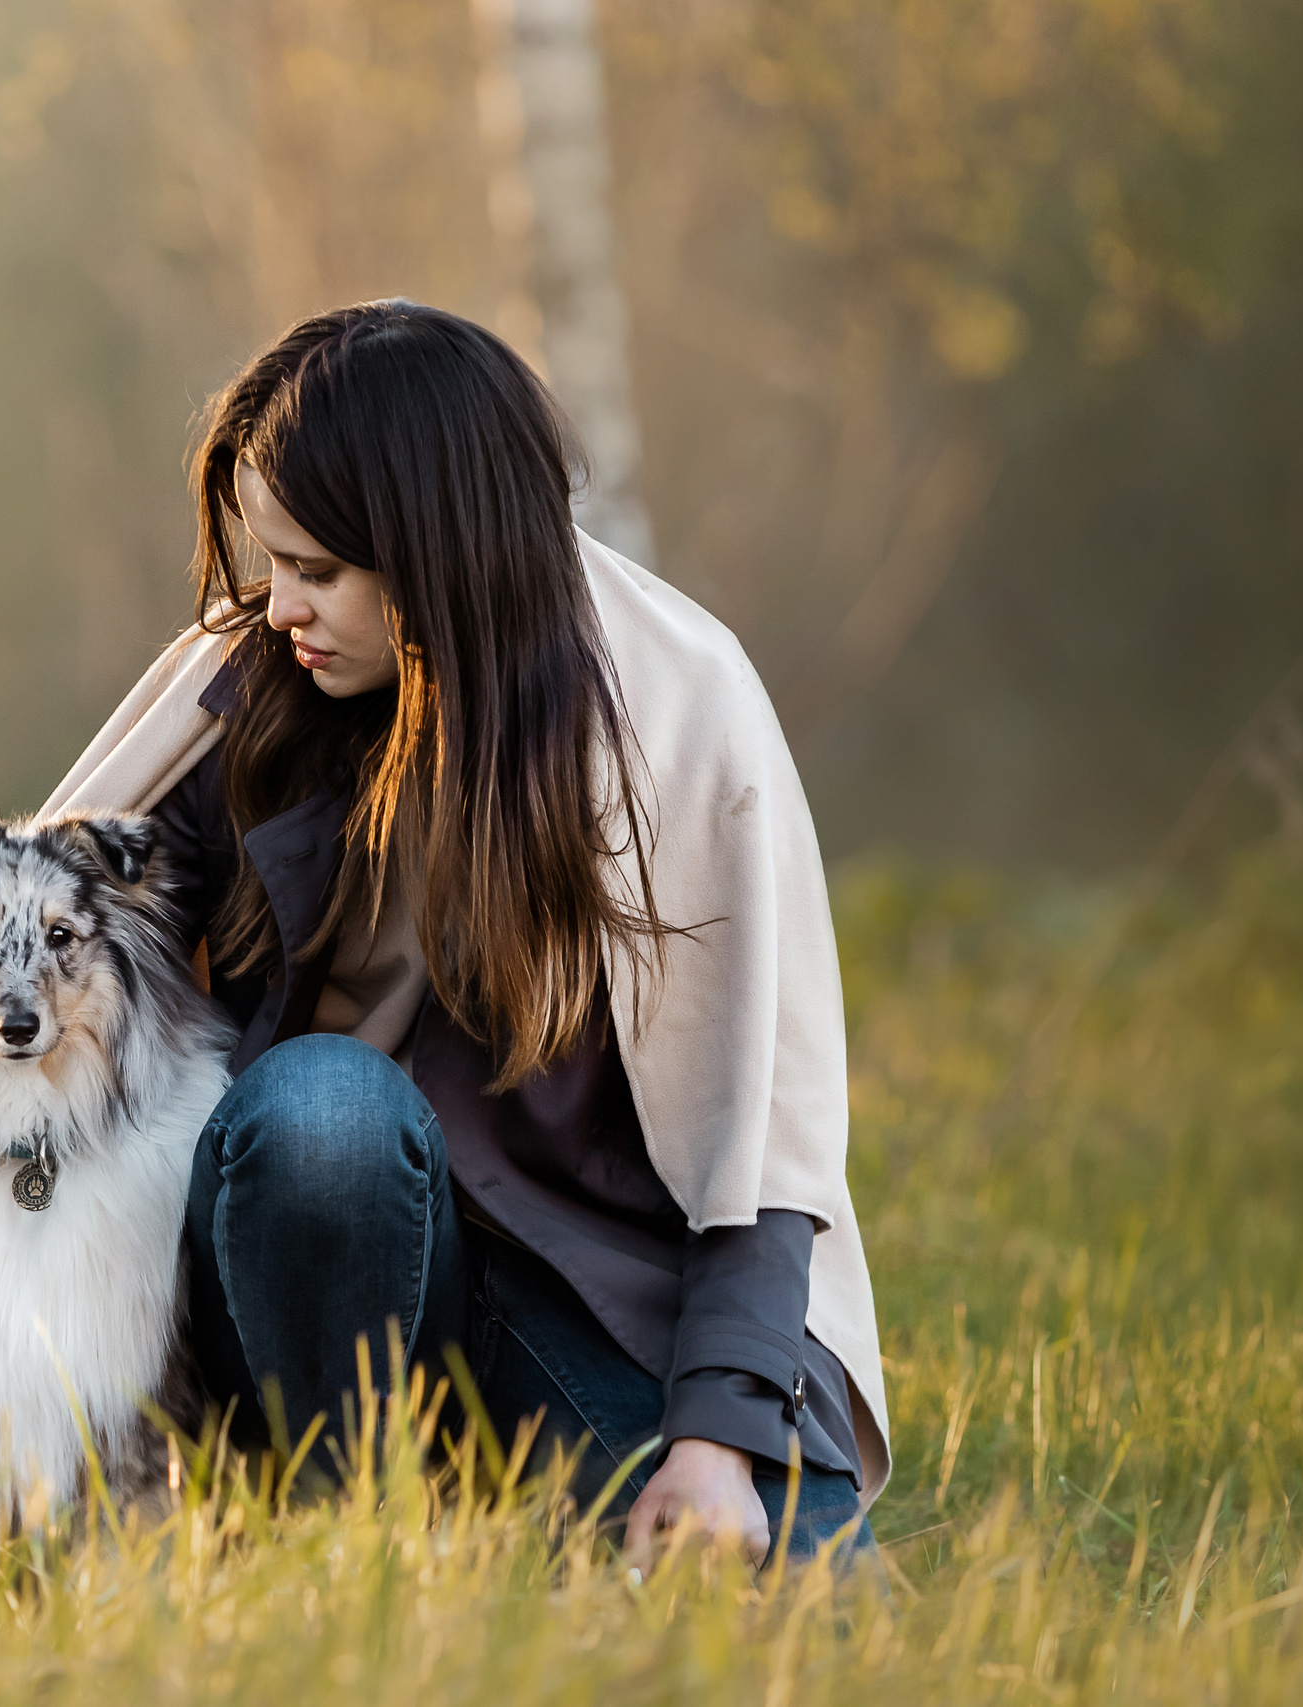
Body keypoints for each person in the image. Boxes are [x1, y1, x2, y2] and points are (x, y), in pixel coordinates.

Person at [133, 300, 884, 1565]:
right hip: (292, 1287)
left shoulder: (673, 712)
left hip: (577, 1292)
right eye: (272, 565)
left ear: (431, 550)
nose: (279, 609)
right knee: (324, 1110)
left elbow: (757, 1150)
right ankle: (331, 1550)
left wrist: (714, 1442)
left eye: (317, 571)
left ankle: (509, 1526)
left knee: (800, 1604)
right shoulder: (242, 704)